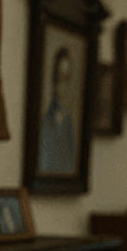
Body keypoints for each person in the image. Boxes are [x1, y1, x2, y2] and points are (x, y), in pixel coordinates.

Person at [38, 46, 77, 175]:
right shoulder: (44, 124)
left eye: (67, 79)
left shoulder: (69, 125)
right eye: (59, 79)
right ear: (53, 82)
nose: (63, 86)